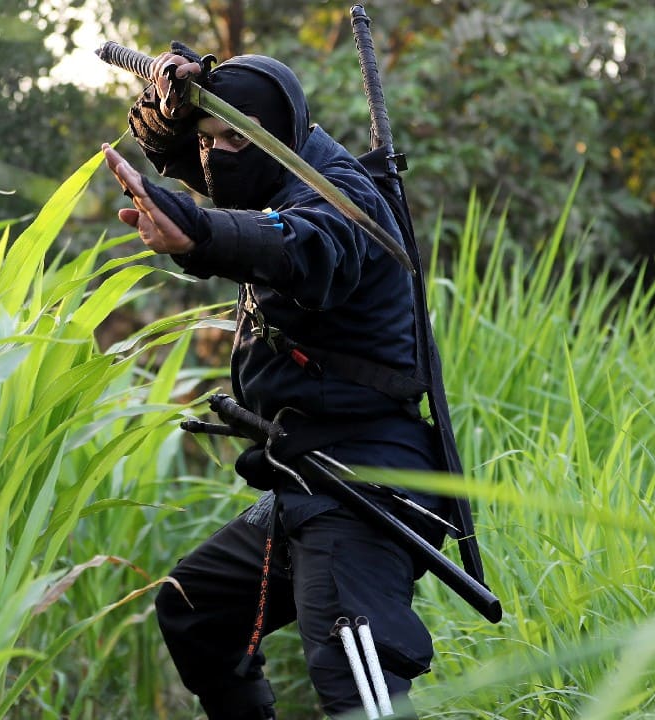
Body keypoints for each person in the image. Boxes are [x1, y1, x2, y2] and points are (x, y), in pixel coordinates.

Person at [101, 43, 457, 719]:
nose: (217, 155)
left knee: (358, 687)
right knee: (195, 612)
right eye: (208, 139)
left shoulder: (341, 197)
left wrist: (200, 234)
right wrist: (173, 99)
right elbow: (205, 168)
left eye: (236, 137)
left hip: (365, 484)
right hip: (305, 477)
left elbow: (300, 243)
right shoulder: (268, 170)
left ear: (277, 133)